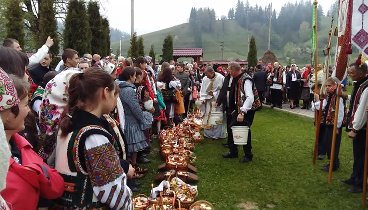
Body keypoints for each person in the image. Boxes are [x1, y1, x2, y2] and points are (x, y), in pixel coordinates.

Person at [55, 68, 133, 209]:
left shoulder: (69, 123)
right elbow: (114, 194)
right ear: (106, 92)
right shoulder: (94, 136)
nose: (116, 100)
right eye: (115, 94)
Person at [0, 69, 64, 209]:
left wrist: (35, 171)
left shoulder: (20, 144)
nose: (29, 110)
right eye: (25, 104)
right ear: (8, 112)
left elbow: (56, 186)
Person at [217, 62, 261, 163]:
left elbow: (250, 97)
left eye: (229, 70)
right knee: (232, 127)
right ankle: (233, 151)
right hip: (239, 108)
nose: (228, 72)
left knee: (245, 130)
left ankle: (248, 155)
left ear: (234, 70)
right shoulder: (237, 78)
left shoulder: (246, 80)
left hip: (247, 109)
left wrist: (242, 112)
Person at [118, 67, 149, 176]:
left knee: (129, 147)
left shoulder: (121, 87)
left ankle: (132, 168)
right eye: (134, 75)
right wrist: (142, 118)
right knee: (133, 146)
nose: (135, 77)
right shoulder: (128, 90)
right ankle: (132, 169)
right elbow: (134, 107)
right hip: (130, 120)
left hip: (124, 118)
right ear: (130, 76)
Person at [343, 60, 368, 193]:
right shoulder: (360, 84)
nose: (350, 74)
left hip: (362, 129)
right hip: (359, 127)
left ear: (362, 73)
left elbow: (363, 108)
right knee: (357, 154)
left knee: (362, 156)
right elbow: (356, 100)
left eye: (352, 72)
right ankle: (354, 177)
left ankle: (360, 183)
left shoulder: (366, 86)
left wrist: (355, 128)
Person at [312, 77, 344, 172]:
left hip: (334, 125)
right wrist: (315, 104)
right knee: (328, 143)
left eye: (329, 86)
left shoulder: (338, 97)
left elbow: (340, 112)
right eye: (326, 86)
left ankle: (334, 164)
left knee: (333, 145)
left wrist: (337, 126)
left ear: (335, 85)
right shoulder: (330, 95)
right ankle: (332, 162)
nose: (327, 88)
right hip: (329, 123)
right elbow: (323, 105)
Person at [200, 66, 225, 139]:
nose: (207, 77)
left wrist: (214, 94)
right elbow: (203, 89)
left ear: (212, 72)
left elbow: (223, 90)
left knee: (216, 117)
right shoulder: (205, 78)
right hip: (208, 100)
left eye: (208, 75)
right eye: (206, 75)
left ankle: (216, 135)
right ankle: (208, 134)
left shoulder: (221, 78)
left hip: (217, 101)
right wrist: (203, 98)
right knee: (207, 116)